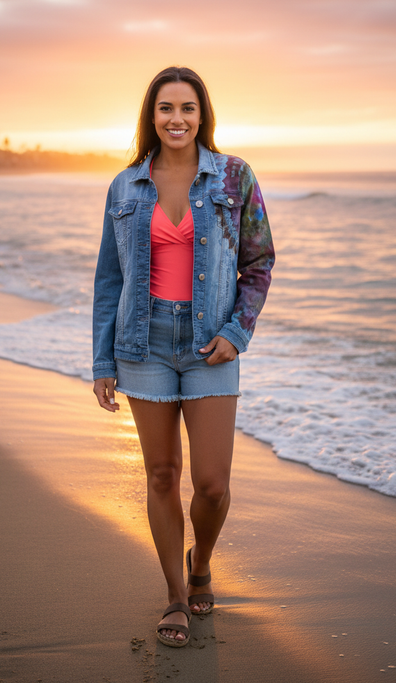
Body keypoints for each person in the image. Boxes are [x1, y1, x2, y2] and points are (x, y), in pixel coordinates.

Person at [92, 66, 275, 648]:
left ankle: (202, 562)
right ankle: (175, 593)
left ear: (203, 116)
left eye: (188, 108)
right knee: (162, 474)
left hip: (209, 347)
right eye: (166, 108)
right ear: (152, 116)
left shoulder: (234, 177)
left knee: (213, 484)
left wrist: (237, 332)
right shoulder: (125, 187)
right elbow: (108, 280)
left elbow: (260, 263)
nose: (177, 119)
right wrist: (102, 362)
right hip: (143, 343)